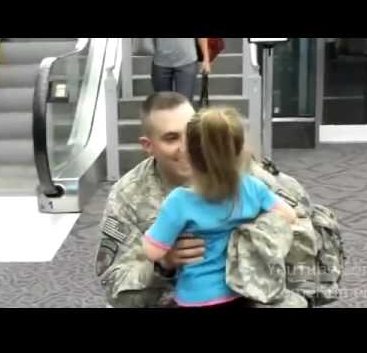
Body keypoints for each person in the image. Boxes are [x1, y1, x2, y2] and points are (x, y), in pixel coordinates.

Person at [95, 92, 307, 308]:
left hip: (250, 294)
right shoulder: (128, 195)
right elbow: (115, 288)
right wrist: (163, 265)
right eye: (171, 138)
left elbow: (303, 224)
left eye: (192, 134)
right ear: (148, 146)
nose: (187, 147)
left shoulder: (246, 174)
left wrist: (254, 238)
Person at [142, 107, 297, 308]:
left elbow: (153, 252)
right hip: (241, 292)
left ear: (188, 153)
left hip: (195, 297)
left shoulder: (179, 201)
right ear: (240, 150)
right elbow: (289, 215)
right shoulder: (252, 187)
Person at [151, 38, 210, 103]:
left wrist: (206, 59)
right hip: (160, 61)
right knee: (162, 104)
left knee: (184, 103)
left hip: (187, 61)